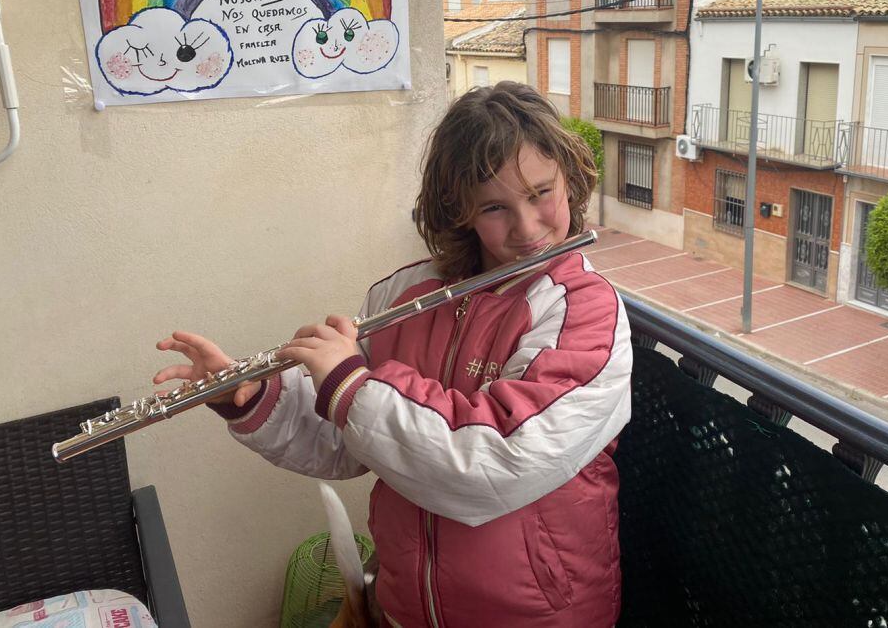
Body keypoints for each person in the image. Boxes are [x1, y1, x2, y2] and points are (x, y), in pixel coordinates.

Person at [154, 82, 633, 627]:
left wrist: (351, 386)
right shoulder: (403, 297)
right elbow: (349, 442)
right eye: (496, 207)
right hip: (408, 605)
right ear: (460, 212)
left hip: (539, 614)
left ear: (569, 181)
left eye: (541, 193)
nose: (527, 228)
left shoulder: (587, 313)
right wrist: (256, 398)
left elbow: (497, 464)